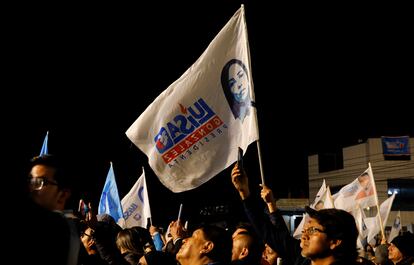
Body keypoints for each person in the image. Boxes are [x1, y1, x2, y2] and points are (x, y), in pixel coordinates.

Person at [231, 162, 361, 265]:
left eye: (311, 231)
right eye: (305, 231)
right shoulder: (301, 260)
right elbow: (273, 234)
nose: (303, 237)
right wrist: (245, 193)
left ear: (334, 242)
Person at [28, 154, 80, 265]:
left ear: (63, 195)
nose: (31, 188)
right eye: (30, 181)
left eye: (39, 182)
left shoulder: (57, 227)